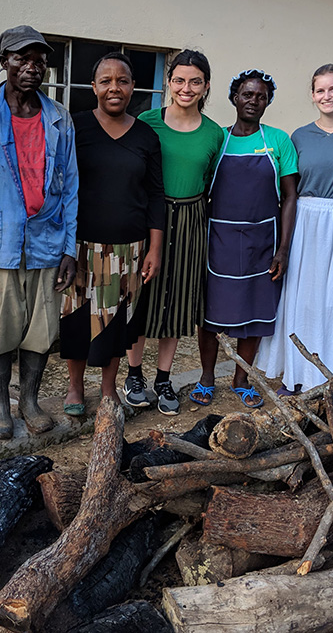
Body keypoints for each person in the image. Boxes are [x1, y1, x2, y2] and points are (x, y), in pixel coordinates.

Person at [0, 25, 78, 439]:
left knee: (40, 329)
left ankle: (29, 400)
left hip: (46, 241)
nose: (31, 67)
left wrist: (70, 248)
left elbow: (71, 187)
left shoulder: (58, 117)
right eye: (21, 59)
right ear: (3, 63)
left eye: (39, 60)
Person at [256, 64, 333, 396]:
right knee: (302, 298)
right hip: (306, 219)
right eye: (320, 90)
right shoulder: (300, 135)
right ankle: (296, 376)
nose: (327, 96)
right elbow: (288, 189)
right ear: (312, 95)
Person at [60, 53, 164, 414]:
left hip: (131, 249)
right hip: (82, 246)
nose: (114, 88)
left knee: (118, 323)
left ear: (133, 86)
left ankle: (108, 389)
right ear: (94, 87)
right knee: (76, 319)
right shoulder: (75, 128)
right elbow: (62, 187)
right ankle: (74, 388)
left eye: (122, 80)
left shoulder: (146, 136)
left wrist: (155, 248)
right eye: (106, 81)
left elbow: (155, 195)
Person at [122, 50, 223, 416]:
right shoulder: (146, 121)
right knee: (142, 296)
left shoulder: (215, 133)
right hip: (149, 216)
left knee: (178, 301)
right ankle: (134, 374)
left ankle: (164, 378)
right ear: (168, 82)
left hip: (192, 217)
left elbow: (210, 181)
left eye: (195, 81)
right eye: (179, 80)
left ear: (206, 86)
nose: (186, 88)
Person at [193, 69, 298, 409]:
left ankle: (241, 379)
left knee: (254, 312)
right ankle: (207, 377)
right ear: (234, 98)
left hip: (262, 241)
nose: (254, 100)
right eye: (247, 94)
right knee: (211, 315)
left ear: (268, 101)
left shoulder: (279, 140)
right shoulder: (216, 140)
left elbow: (290, 197)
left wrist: (282, 249)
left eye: (261, 96)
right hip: (218, 240)